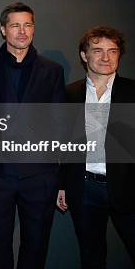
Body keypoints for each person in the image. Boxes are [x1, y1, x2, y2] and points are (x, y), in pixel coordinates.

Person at [0, 2, 64, 269]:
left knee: (35, 251)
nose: (22, 31)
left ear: (33, 29)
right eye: (15, 25)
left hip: (40, 177)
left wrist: (54, 173)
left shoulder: (52, 71)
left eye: (27, 25)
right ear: (3, 30)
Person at [57, 26, 135, 268]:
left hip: (128, 188)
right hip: (84, 188)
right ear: (84, 55)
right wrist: (62, 185)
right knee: (91, 257)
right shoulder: (70, 93)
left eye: (112, 51)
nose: (105, 57)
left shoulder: (132, 92)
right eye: (98, 50)